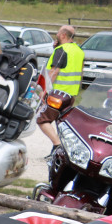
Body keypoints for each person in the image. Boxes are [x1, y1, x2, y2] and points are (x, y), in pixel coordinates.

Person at [38, 25, 84, 155]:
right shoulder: (79, 51)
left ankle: (58, 146)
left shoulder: (62, 50)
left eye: (58, 32)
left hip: (58, 94)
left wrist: (44, 90)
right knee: (61, 123)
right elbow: (81, 72)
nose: (57, 34)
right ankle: (62, 148)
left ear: (63, 35)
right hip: (71, 95)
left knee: (42, 119)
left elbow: (54, 71)